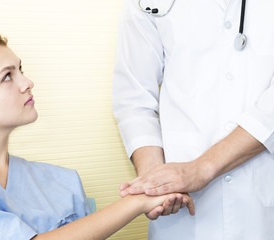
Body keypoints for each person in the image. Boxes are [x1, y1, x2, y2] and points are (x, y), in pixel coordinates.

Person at [0, 27, 194, 240]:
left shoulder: (63, 182)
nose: (27, 82)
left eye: (20, 70)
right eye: (7, 76)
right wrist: (139, 200)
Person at [113, 0, 274, 239]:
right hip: (180, 208)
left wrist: (201, 169)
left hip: (260, 194)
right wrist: (155, 184)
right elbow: (134, 99)